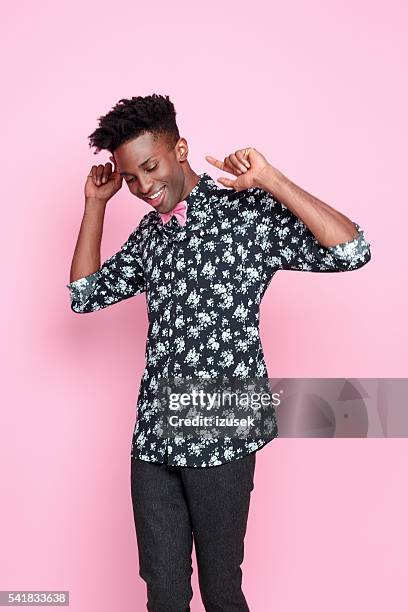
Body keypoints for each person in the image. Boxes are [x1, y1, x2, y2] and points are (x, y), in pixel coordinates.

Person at [66, 94, 371, 611]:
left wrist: (272, 179)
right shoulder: (150, 238)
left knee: (220, 588)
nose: (142, 187)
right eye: (131, 178)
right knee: (163, 590)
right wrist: (95, 205)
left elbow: (351, 250)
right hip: (155, 433)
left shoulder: (247, 213)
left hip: (223, 424)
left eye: (150, 167)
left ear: (180, 149)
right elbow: (84, 294)